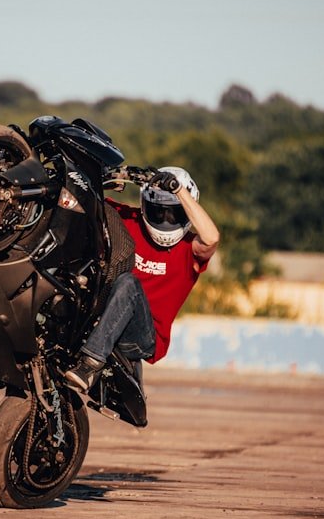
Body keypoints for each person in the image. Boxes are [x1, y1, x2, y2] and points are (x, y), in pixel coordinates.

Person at [65, 166, 220, 393]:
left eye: (174, 213)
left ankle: (90, 365)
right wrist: (106, 177)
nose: (165, 219)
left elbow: (211, 237)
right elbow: (87, 202)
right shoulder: (129, 220)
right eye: (158, 212)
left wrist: (178, 190)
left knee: (129, 284)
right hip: (100, 315)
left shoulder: (190, 248)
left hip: (142, 338)